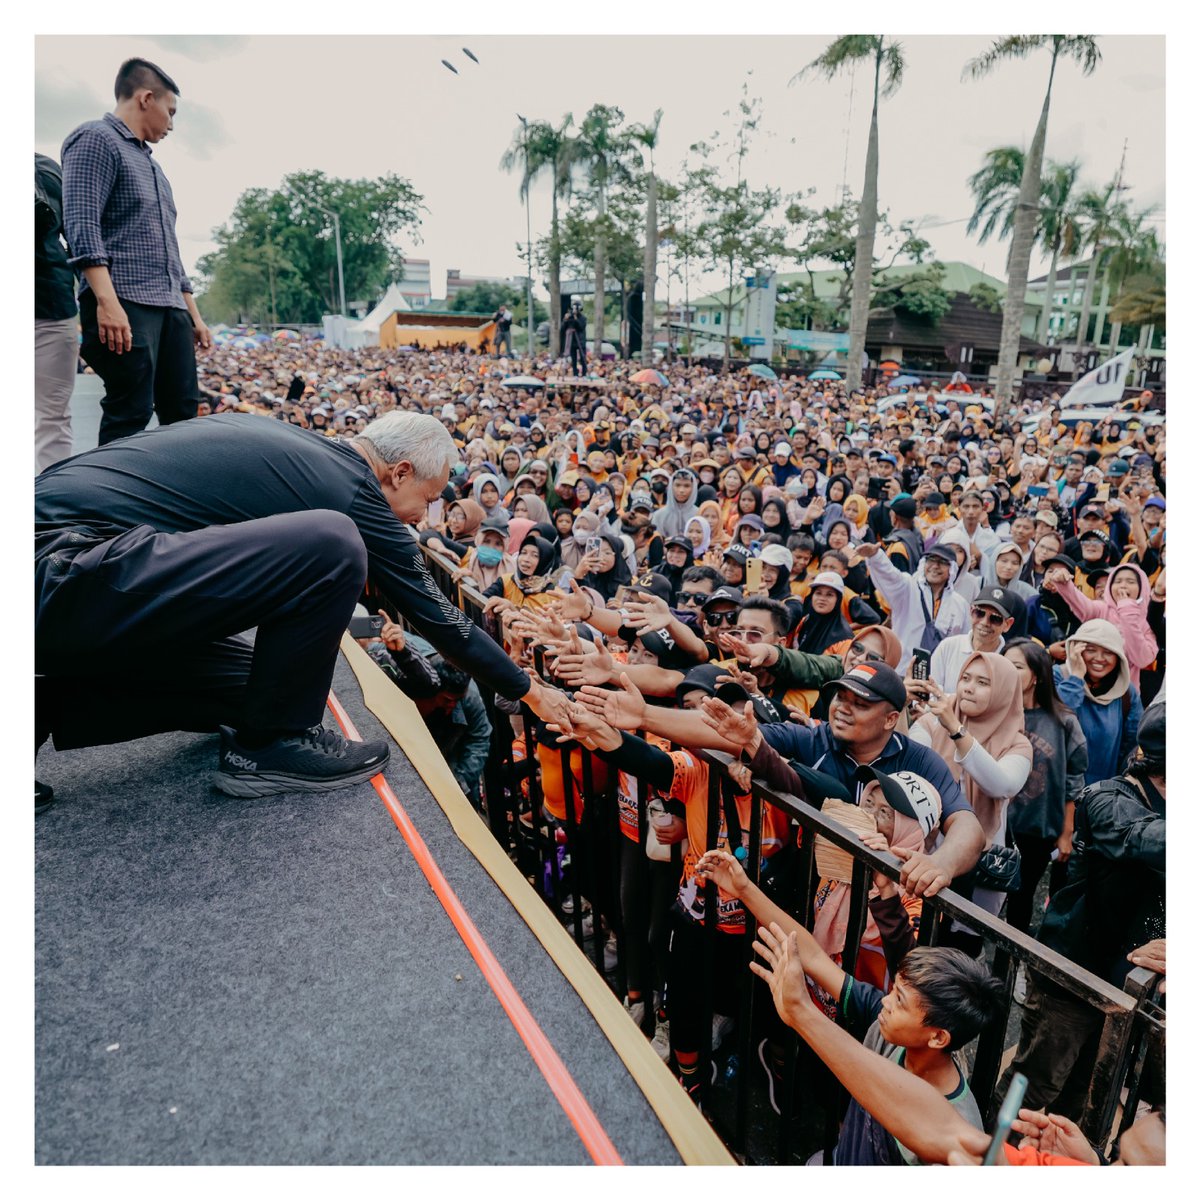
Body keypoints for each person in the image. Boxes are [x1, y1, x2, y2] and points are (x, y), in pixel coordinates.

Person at [35, 410, 568, 802]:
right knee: (335, 543)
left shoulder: (305, 450)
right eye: (427, 500)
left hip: (73, 578)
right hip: (58, 568)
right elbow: (443, 618)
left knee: (260, 687)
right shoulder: (351, 488)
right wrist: (533, 693)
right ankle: (270, 747)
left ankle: (38, 709)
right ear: (399, 472)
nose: (424, 519)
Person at [695, 852, 1003, 1165]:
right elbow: (813, 956)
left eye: (899, 1001)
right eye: (893, 991)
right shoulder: (887, 1030)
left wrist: (800, 1011)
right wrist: (745, 889)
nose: (884, 1000)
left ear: (938, 1037)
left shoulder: (960, 1135)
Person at [999, 704, 1165, 1120]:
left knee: (1084, 1093)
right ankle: (989, 1161)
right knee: (1035, 1084)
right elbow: (1140, 837)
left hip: (1124, 984)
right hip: (1073, 972)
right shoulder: (1107, 797)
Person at [61, 58, 211, 445]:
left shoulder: (155, 169)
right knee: (131, 411)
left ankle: (173, 499)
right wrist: (105, 302)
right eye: (170, 111)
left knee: (182, 411)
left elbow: (171, 250)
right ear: (147, 98)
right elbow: (82, 225)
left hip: (170, 307)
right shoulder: (95, 139)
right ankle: (108, 502)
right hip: (124, 300)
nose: (172, 124)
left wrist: (193, 314)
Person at [1001, 639, 1088, 938]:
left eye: (1016, 667)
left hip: (1037, 829)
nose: (1009, 673)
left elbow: (1074, 781)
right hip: (995, 824)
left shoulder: (1063, 721)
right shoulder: (996, 712)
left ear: (1037, 675)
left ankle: (1009, 964)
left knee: (1021, 899)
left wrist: (1066, 833)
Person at [35, 153, 79, 473]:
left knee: (53, 415)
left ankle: (53, 506)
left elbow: (78, 240)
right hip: (52, 304)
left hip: (50, 308)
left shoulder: (48, 169)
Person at [561, 301, 587, 377]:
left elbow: (581, 327)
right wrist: (565, 320)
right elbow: (563, 329)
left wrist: (576, 319)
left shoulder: (583, 318)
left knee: (582, 358)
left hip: (580, 341)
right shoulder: (569, 317)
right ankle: (575, 374)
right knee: (574, 359)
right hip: (572, 341)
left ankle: (584, 374)